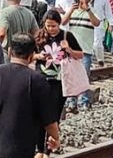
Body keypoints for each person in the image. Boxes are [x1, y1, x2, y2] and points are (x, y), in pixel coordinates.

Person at [35, 10, 83, 142]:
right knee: (40, 113)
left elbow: (80, 55)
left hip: (60, 80)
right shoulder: (39, 36)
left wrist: (69, 50)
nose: (50, 29)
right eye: (48, 25)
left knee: (54, 114)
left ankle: (51, 143)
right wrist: (39, 56)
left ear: (59, 24)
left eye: (53, 26)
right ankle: (40, 145)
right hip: (42, 79)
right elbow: (29, 55)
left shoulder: (67, 36)